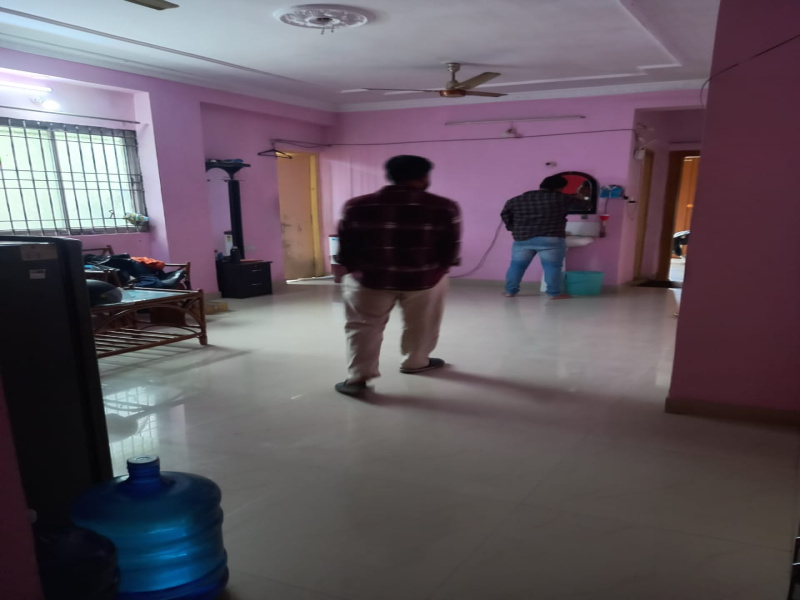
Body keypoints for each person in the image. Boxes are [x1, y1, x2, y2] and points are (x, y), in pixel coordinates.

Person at [334, 155, 461, 396]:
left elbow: (346, 248)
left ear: (389, 176)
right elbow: (450, 250)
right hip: (425, 280)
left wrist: (353, 271)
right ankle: (416, 362)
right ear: (424, 177)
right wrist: (438, 271)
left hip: (369, 280)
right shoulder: (444, 206)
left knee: (363, 327)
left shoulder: (356, 205)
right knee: (423, 324)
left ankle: (358, 378)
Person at [500, 175, 590, 299]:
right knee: (552, 267)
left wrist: (513, 228)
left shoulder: (516, 200)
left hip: (522, 238)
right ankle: (553, 293)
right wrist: (583, 195)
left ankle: (510, 291)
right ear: (559, 188)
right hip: (551, 238)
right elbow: (586, 206)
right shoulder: (562, 198)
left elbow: (505, 214)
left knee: (517, 266)